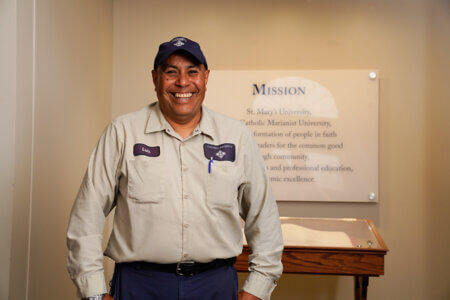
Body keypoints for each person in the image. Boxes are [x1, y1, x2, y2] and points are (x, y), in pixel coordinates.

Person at [67, 37, 283, 300]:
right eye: (171, 72)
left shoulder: (237, 136)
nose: (183, 82)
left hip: (215, 286)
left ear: (205, 77)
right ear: (155, 78)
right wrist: (93, 293)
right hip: (140, 286)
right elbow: (86, 216)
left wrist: (257, 290)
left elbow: (265, 218)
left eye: (192, 71)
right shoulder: (123, 133)